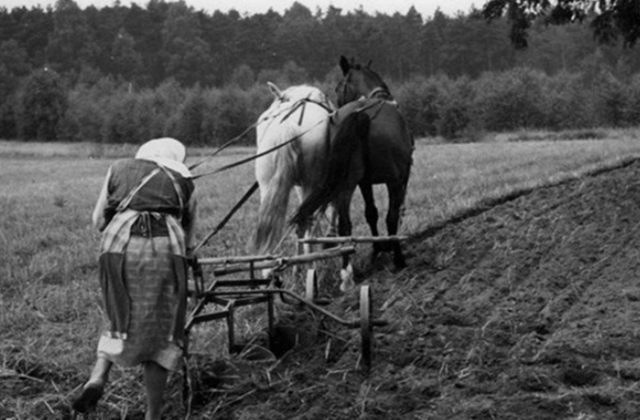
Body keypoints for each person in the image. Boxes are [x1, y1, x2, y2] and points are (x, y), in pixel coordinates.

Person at [73, 138, 197, 420]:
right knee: (160, 331)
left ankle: (98, 376)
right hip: (166, 249)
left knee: (121, 314)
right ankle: (153, 416)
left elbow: (98, 221)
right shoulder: (185, 181)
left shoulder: (118, 168)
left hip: (117, 246)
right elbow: (190, 239)